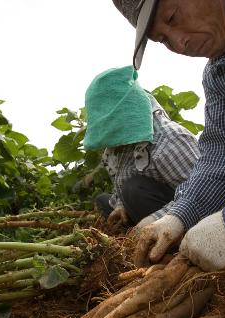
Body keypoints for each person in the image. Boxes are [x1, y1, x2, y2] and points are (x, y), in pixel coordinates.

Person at [112, 0, 225, 271]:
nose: (180, 44)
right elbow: (222, 154)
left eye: (172, 18)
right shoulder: (219, 73)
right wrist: (177, 218)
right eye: (163, 40)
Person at [83, 65, 200, 228]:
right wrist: (120, 206)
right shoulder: (119, 146)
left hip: (186, 215)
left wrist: (155, 219)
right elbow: (120, 186)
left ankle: (163, 243)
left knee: (134, 190)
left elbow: (203, 195)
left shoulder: (169, 140)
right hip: (147, 206)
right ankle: (131, 237)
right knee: (104, 201)